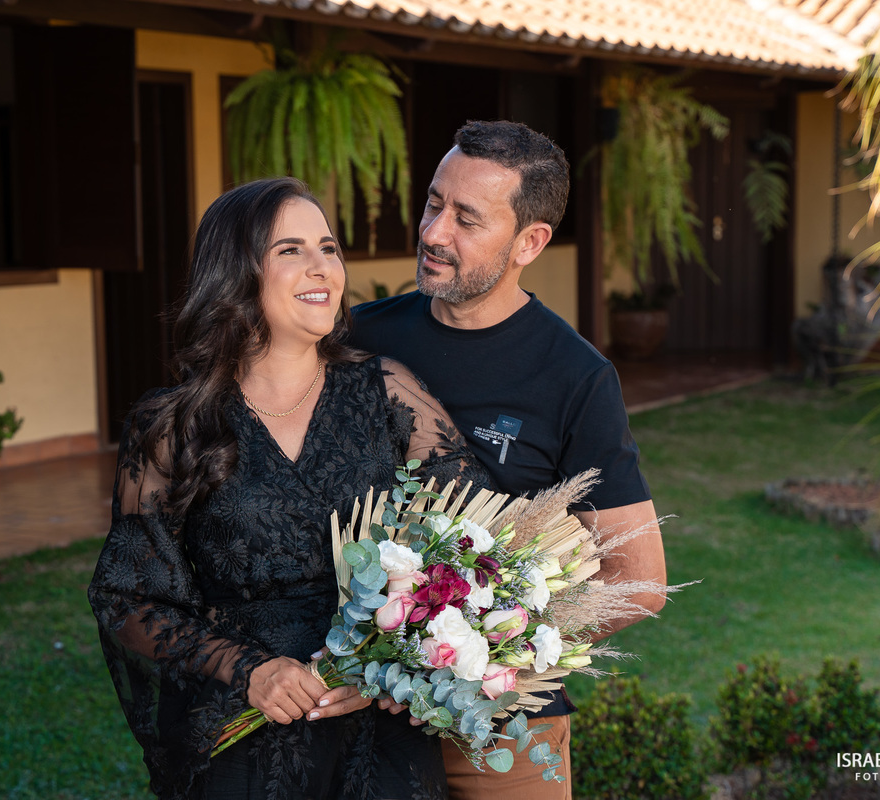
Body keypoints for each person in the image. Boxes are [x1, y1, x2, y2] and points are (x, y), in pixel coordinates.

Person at [87, 177, 488, 800]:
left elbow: (470, 549)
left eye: (328, 247)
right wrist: (249, 672)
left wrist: (391, 663)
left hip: (376, 738)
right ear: (236, 274)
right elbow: (131, 599)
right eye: (290, 250)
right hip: (245, 741)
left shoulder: (387, 394)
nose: (322, 266)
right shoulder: (173, 426)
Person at [350, 120, 668, 798]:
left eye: (467, 218)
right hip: (360, 717)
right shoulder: (364, 337)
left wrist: (476, 652)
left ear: (530, 241)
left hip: (501, 734)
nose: (434, 233)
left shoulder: (575, 377)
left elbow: (639, 581)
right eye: (434, 203)